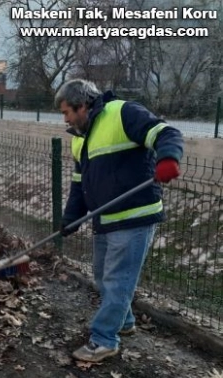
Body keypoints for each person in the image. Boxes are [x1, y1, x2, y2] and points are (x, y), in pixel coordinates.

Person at [55, 79, 183, 362]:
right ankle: (123, 322)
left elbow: (166, 133)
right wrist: (71, 218)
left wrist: (168, 158)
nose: (64, 118)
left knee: (117, 280)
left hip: (134, 217)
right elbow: (80, 183)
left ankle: (104, 339)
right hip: (105, 218)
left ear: (82, 106)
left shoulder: (123, 113)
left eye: (66, 112)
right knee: (102, 275)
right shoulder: (80, 136)